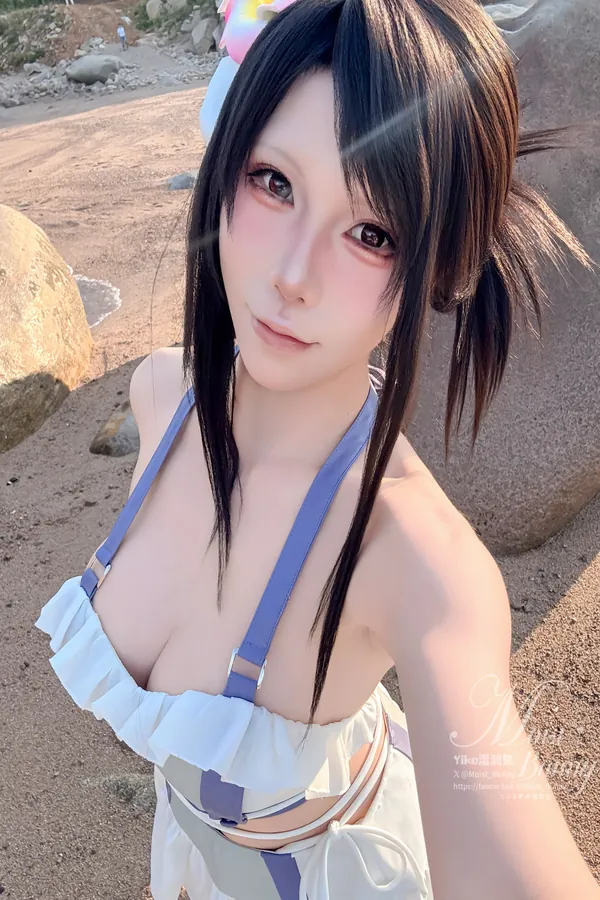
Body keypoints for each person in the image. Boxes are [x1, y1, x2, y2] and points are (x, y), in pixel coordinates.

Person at [36, 0, 600, 898]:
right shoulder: (161, 394)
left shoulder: (419, 565)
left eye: (372, 233)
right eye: (273, 182)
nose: (292, 275)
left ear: (438, 265)